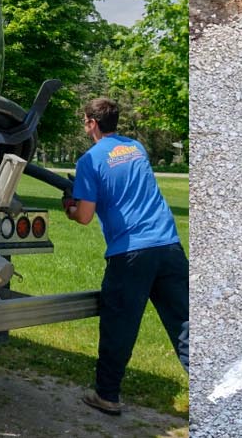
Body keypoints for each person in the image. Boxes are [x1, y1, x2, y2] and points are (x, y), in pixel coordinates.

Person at [62, 97, 188, 416]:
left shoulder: (90, 160)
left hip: (130, 252)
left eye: (84, 121)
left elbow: (85, 216)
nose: (84, 125)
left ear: (92, 123)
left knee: (119, 325)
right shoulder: (136, 148)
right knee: (185, 324)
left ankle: (107, 395)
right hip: (168, 245)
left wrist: (70, 206)